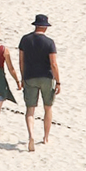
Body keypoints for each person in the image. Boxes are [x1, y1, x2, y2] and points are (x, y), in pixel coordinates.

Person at [19, 15, 61, 151]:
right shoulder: (49, 42)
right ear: (45, 27)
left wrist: (22, 77)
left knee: (30, 110)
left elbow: (21, 61)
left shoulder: (25, 40)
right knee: (48, 107)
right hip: (46, 77)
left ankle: (31, 135)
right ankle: (46, 137)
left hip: (30, 76)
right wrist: (58, 81)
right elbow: (53, 64)